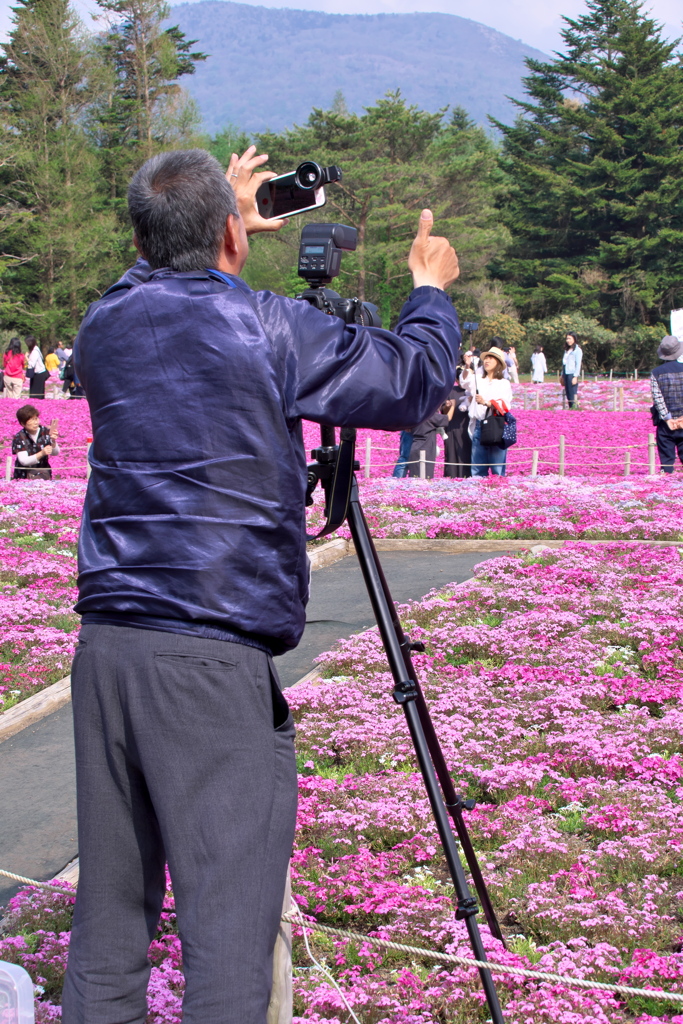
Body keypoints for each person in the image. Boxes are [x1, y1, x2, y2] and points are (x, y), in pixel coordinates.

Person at [61, 146, 461, 1024]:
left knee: (111, 926)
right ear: (231, 238)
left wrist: (217, 223)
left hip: (108, 648)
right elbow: (410, 381)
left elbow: (161, 282)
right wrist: (428, 290)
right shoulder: (269, 325)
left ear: (139, 233)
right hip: (209, 656)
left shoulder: (103, 325)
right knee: (229, 935)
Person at [469, 345, 513, 477]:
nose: (487, 361)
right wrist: (467, 366)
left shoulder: (503, 383)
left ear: (498, 363)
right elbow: (465, 382)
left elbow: (505, 405)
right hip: (479, 424)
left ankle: (497, 493)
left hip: (496, 426)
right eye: (486, 358)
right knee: (477, 468)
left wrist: (487, 403)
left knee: (497, 469)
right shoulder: (478, 380)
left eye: (491, 359)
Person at [650, 334, 683, 473]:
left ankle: (667, 482)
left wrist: (668, 418)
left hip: (665, 424)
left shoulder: (656, 372)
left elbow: (657, 398)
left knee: (667, 463)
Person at [445, 352, 476, 477]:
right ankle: (451, 476)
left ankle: (468, 476)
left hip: (467, 426)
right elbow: (444, 409)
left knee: (467, 453)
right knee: (452, 453)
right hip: (453, 427)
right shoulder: (451, 391)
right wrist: (448, 405)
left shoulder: (473, 390)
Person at [406, 401, 454, 477]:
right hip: (426, 448)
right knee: (426, 475)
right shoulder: (430, 416)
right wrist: (453, 406)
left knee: (415, 475)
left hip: (415, 447)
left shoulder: (415, 415)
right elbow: (448, 418)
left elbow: (406, 428)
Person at [11, 405, 59, 479]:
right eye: (31, 420)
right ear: (23, 424)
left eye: (36, 419)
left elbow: (55, 453)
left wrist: (53, 441)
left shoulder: (46, 432)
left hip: (43, 475)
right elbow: (24, 461)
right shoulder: (19, 437)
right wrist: (41, 453)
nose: (35, 422)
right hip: (24, 477)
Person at [561, 332, 582, 408]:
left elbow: (578, 364)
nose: (568, 340)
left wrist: (575, 376)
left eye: (570, 338)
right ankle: (571, 408)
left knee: (572, 393)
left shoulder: (577, 350)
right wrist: (562, 375)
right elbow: (564, 363)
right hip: (566, 373)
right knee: (568, 393)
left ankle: (575, 408)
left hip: (572, 374)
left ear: (574, 339)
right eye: (567, 338)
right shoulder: (567, 350)